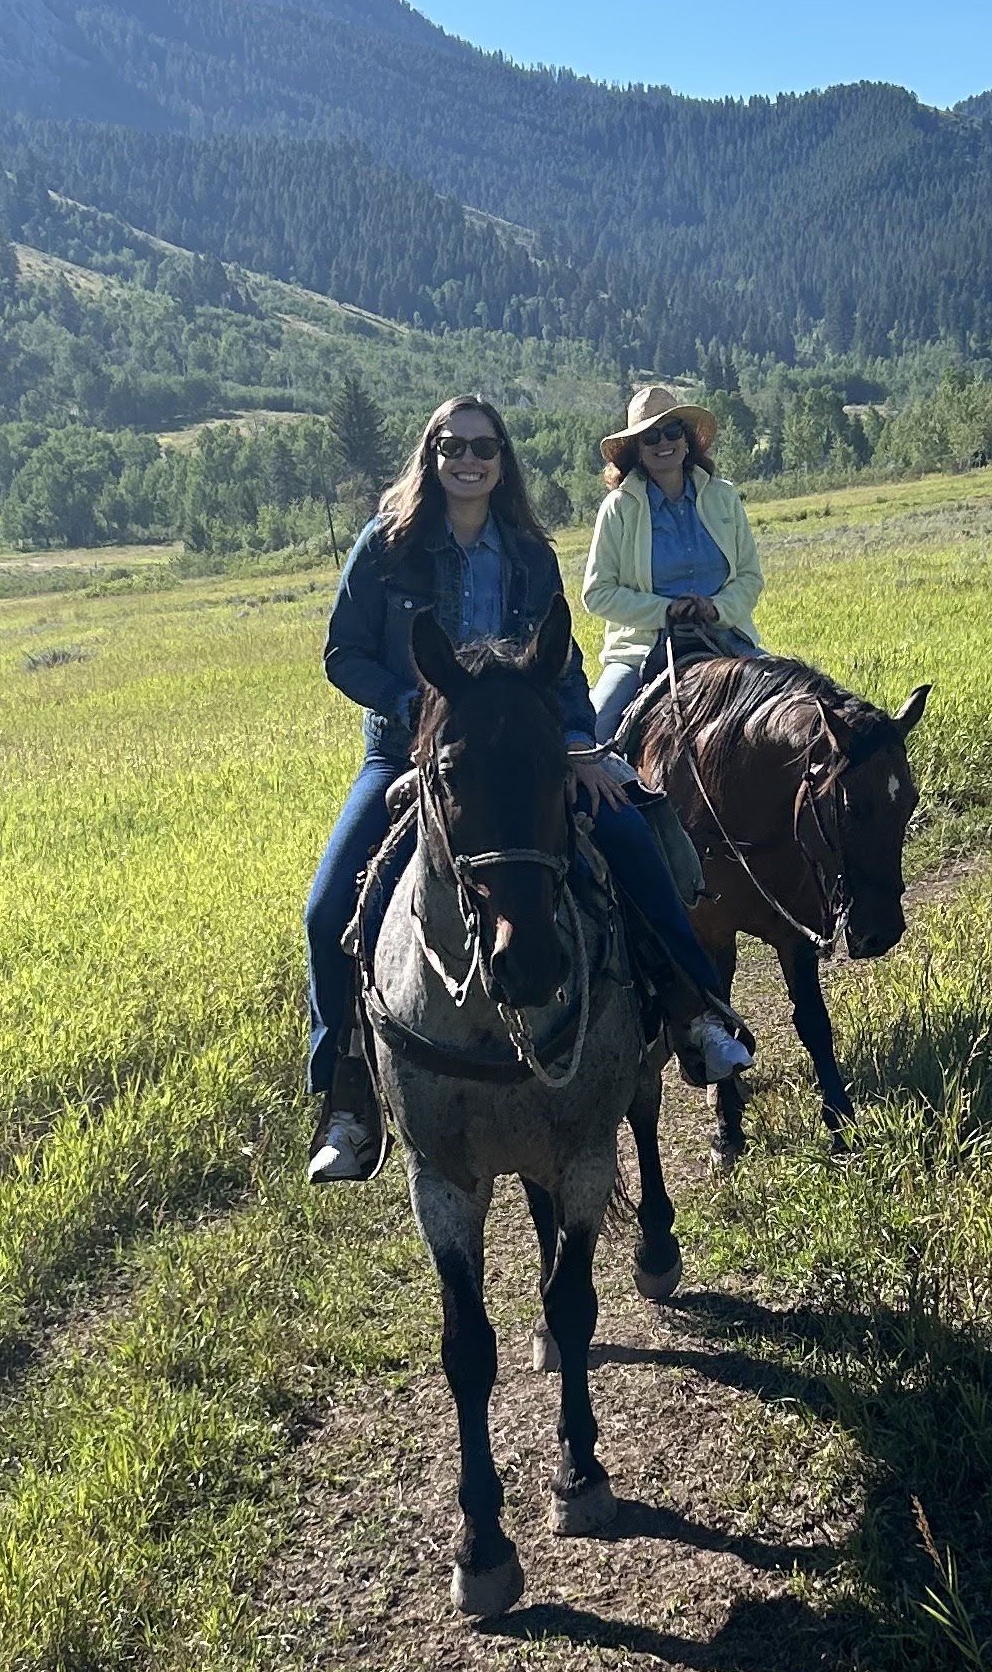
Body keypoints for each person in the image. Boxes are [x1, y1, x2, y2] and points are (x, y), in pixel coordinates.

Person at [303, 393, 754, 1185]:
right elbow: (343, 656)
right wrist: (418, 709)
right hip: (411, 753)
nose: (468, 460)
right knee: (331, 906)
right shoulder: (385, 547)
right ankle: (348, 1096)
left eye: (484, 447)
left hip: (531, 753)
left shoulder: (527, 553)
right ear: (431, 456)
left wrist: (581, 744)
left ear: (502, 461)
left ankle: (693, 1012)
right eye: (453, 447)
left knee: (630, 833)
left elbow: (565, 662)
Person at [583, 382, 768, 745]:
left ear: (687, 441)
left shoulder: (724, 497)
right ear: (636, 450)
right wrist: (667, 611)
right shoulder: (618, 508)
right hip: (642, 651)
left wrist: (715, 609)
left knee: (797, 702)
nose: (663, 443)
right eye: (650, 437)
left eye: (671, 432)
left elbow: (749, 576)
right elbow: (597, 593)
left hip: (726, 637)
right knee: (594, 733)